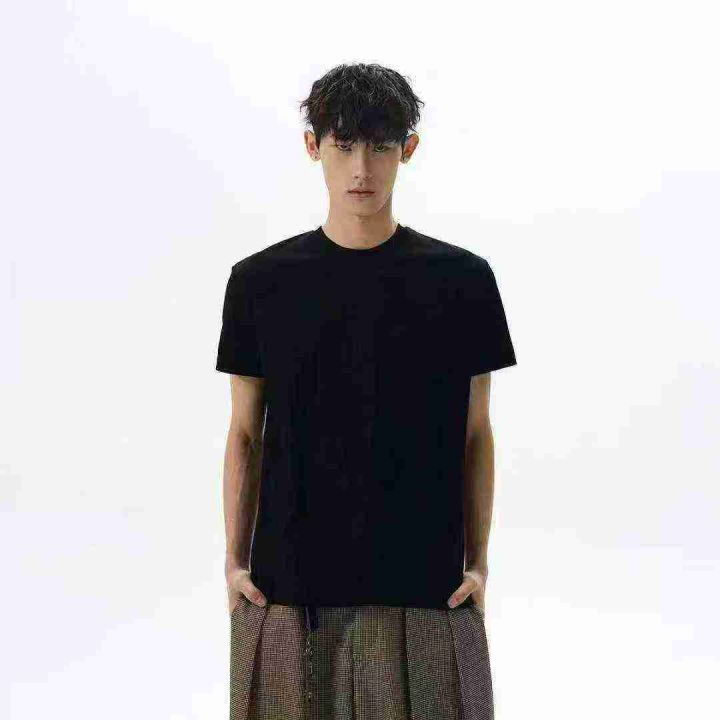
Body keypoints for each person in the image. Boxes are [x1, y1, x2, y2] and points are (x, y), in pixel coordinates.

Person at [216, 62, 517, 720]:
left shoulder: (462, 281)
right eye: (344, 145)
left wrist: (480, 565)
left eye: (380, 146)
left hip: (429, 593)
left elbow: (476, 433)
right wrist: (234, 564)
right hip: (288, 594)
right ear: (313, 146)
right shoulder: (261, 283)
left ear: (408, 149)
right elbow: (244, 434)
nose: (361, 169)